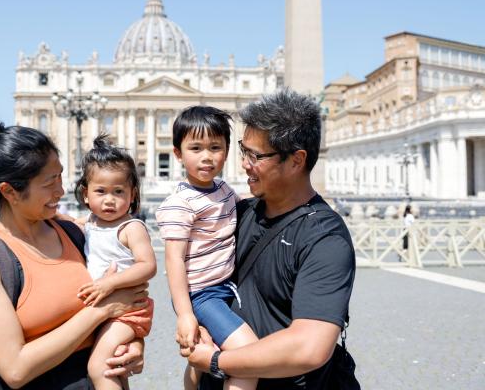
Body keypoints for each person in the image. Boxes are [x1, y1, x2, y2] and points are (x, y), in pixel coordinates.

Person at [0, 118, 148, 389]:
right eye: (49, 183)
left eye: (60, 176)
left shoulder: (74, 232)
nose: (61, 191)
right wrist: (101, 311)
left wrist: (132, 346)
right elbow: (15, 369)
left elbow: (129, 303)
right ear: (10, 191)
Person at [186, 89, 356, 389]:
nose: (244, 164)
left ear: (296, 160)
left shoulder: (325, 239)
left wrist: (215, 362)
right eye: (243, 150)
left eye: (256, 156)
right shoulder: (238, 213)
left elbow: (309, 346)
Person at [156, 106, 258, 390]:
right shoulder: (180, 204)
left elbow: (245, 209)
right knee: (248, 355)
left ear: (227, 151)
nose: (206, 156)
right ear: (178, 153)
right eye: (196, 148)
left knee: (200, 358)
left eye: (215, 147)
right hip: (203, 295)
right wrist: (186, 314)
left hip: (227, 286)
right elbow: (174, 261)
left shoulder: (223, 189)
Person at [74, 134, 156, 390]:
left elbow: (147, 266)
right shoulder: (89, 224)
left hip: (128, 311)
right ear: (86, 195)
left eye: (118, 191)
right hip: (110, 310)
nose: (110, 199)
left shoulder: (131, 228)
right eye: (101, 191)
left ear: (132, 195)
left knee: (99, 367)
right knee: (116, 366)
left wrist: (110, 284)